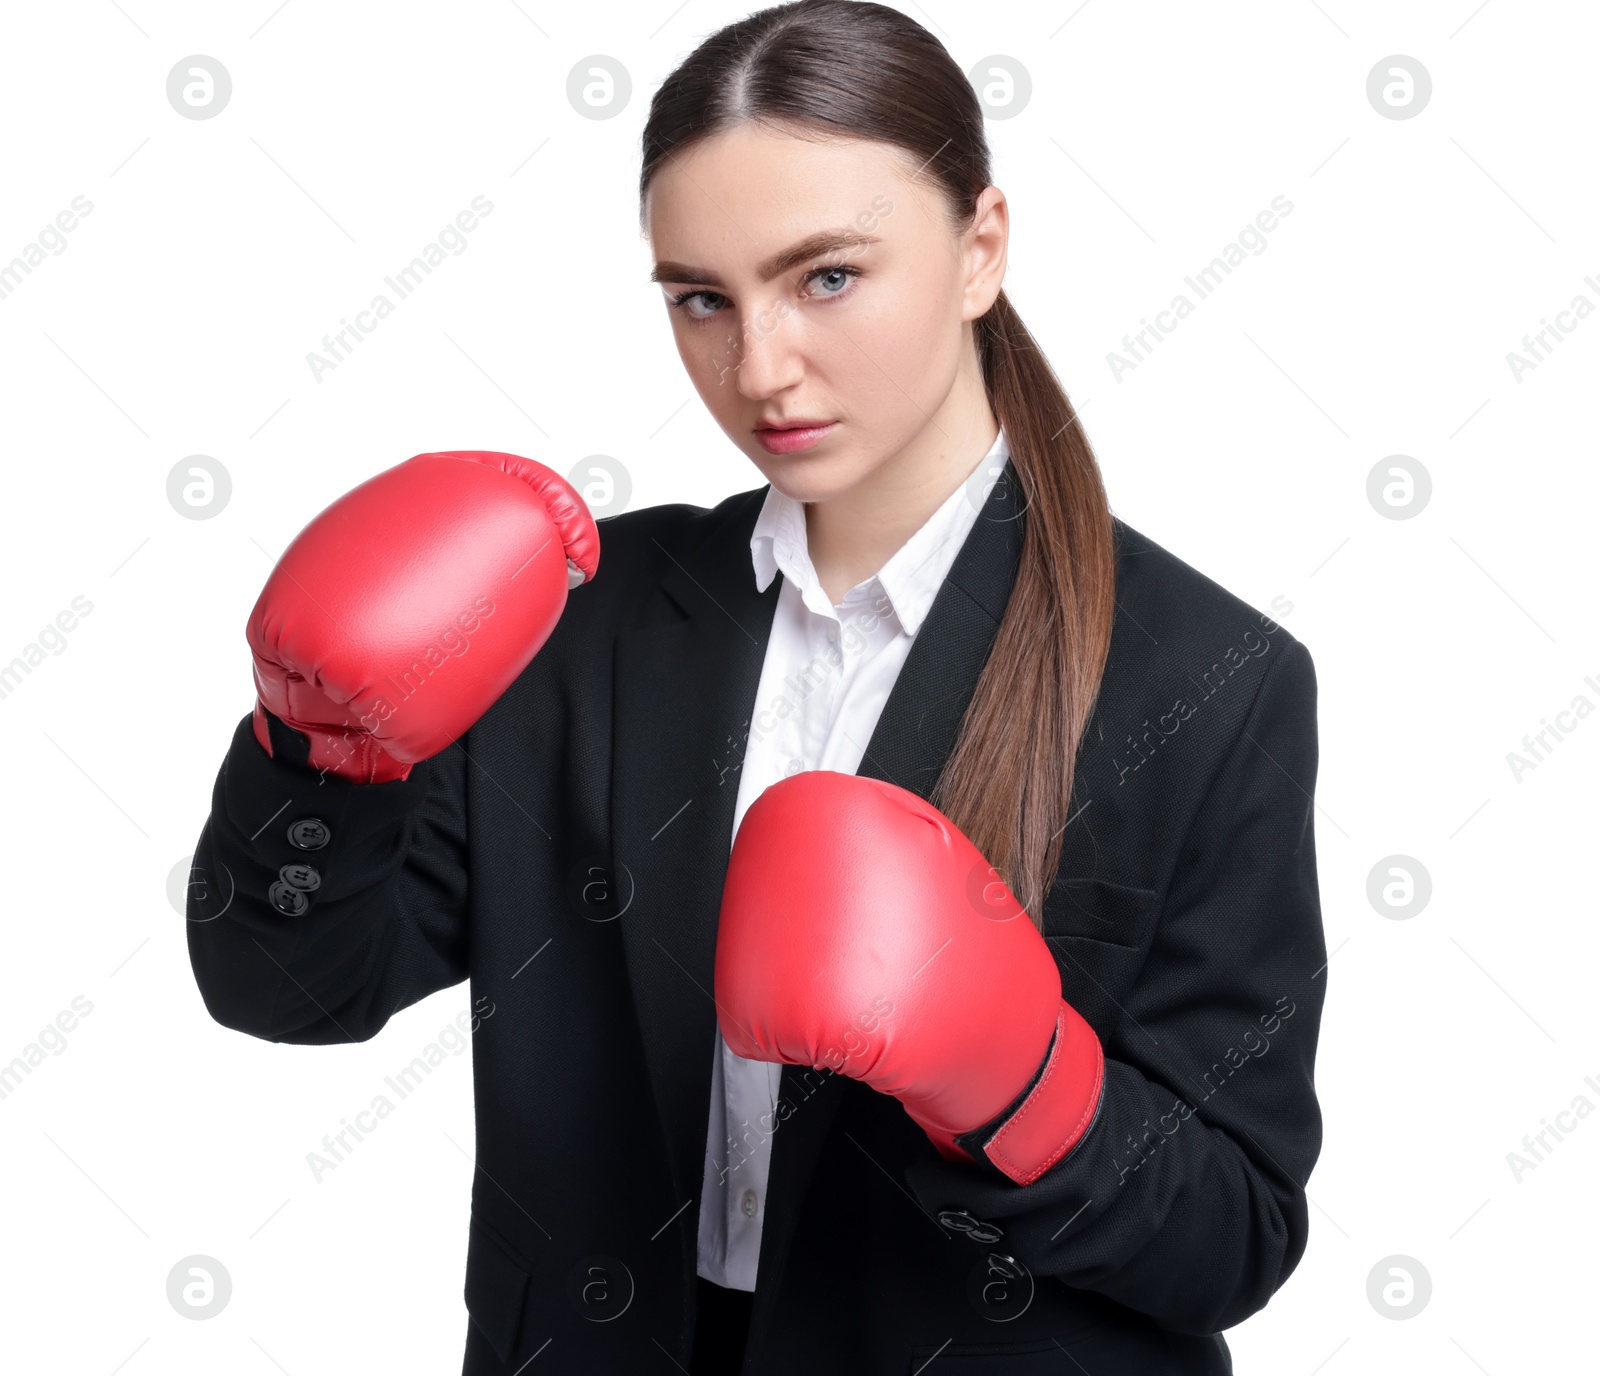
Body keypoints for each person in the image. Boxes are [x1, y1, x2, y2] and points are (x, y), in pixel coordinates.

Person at [185, 2, 1326, 1371]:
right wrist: (318, 754)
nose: (759, 368)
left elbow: (1236, 1237)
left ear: (980, 251)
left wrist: (1028, 1091)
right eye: (702, 298)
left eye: (828, 277)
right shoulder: (581, 617)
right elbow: (291, 989)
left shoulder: (1203, 679)